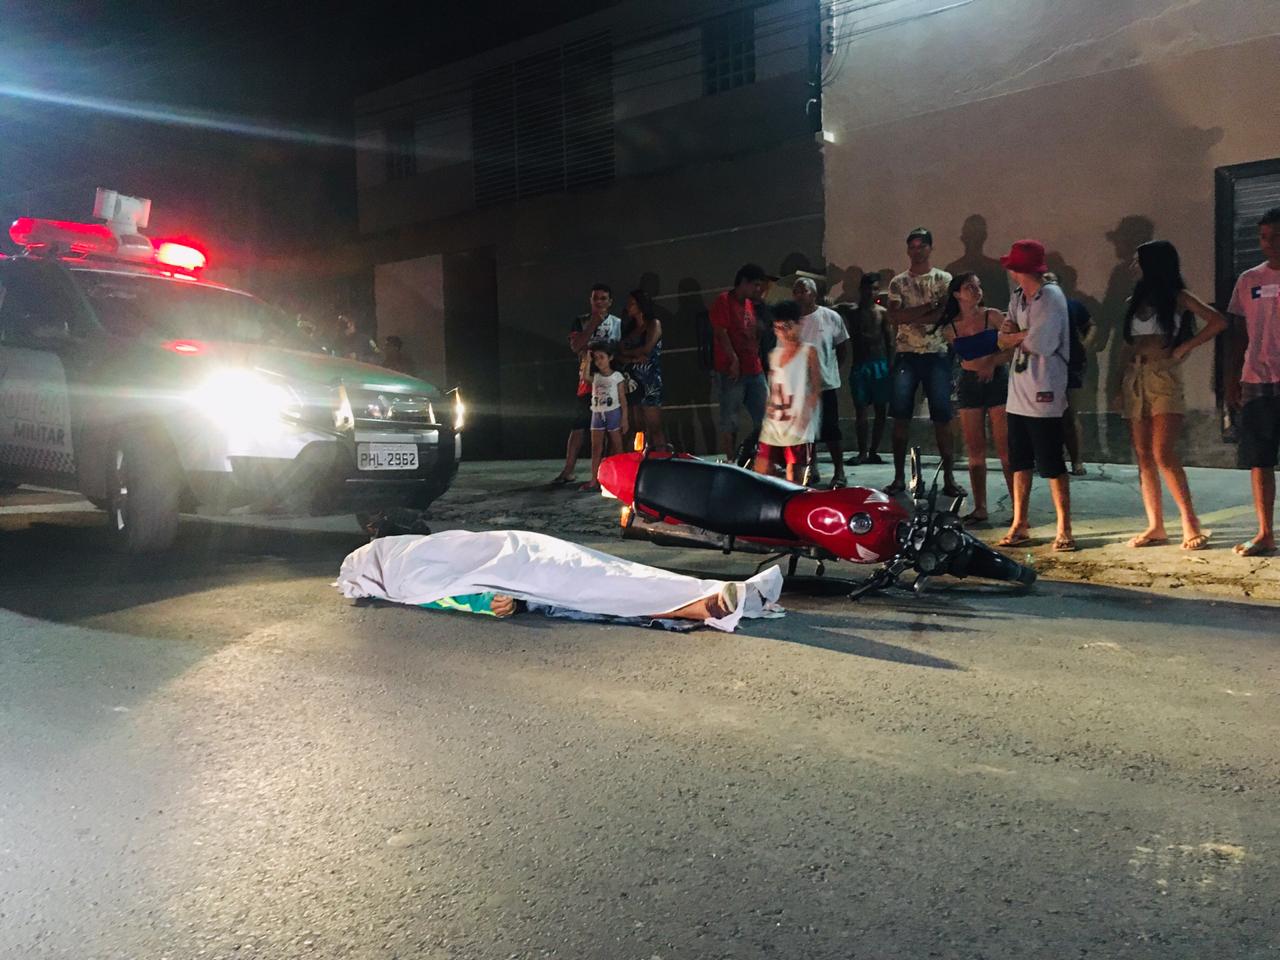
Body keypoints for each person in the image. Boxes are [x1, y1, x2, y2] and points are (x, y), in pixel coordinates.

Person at [336, 529, 785, 634]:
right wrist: (486, 603)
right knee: (594, 587)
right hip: (521, 575)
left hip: (523, 551)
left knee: (604, 575)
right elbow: (442, 594)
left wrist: (487, 598)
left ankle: (707, 597)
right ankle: (707, 602)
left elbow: (463, 560)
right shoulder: (402, 572)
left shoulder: (413, 553)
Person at [1118, 240, 1226, 550]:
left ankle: (1190, 522)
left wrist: (1184, 346)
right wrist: (1117, 385)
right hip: (1135, 375)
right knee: (1143, 454)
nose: (1133, 266)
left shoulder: (1177, 297)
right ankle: (1155, 525)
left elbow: (1218, 321)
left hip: (1163, 376)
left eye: (1138, 261)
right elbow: (1127, 345)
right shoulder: (1135, 299)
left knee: (1162, 451)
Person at [995, 239, 1074, 552]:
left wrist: (1016, 336)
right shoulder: (1019, 296)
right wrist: (1020, 335)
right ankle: (1020, 522)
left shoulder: (1050, 297)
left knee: (1051, 461)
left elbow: (1042, 343)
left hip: (1044, 389)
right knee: (1020, 461)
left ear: (1019, 269)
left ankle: (1064, 527)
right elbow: (1004, 336)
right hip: (1019, 390)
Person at [885, 228, 961, 496]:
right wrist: (928, 308)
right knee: (900, 416)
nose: (916, 251)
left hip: (936, 353)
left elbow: (944, 314)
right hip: (906, 354)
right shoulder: (898, 282)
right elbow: (895, 317)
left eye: (921, 246)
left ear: (930, 248)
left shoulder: (944, 279)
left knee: (942, 417)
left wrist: (910, 315)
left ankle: (949, 478)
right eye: (912, 246)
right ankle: (898, 477)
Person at [1225, 206, 1280, 557]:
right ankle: (1265, 532)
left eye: (1276, 237)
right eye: (1264, 237)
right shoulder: (1249, 280)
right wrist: (1231, 379)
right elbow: (1236, 333)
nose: (1269, 243)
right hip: (1258, 379)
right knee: (1260, 458)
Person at [936, 272, 1011, 525]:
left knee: (1005, 448)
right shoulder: (950, 328)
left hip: (997, 379)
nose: (976, 290)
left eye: (978, 286)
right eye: (969, 287)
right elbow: (961, 359)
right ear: (957, 294)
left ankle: (1018, 506)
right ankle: (980, 507)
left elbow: (1014, 347)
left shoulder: (993, 316)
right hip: (969, 383)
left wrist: (992, 362)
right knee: (975, 449)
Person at [552, 284, 622, 485]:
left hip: (609, 382)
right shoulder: (581, 321)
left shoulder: (617, 323)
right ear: (590, 300)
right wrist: (592, 324)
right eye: (595, 298)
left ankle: (609, 474)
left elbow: (620, 350)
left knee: (610, 430)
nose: (599, 302)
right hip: (587, 382)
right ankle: (568, 471)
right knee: (579, 426)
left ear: (610, 302)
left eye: (603, 298)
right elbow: (575, 346)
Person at [754, 300, 821, 484]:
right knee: (762, 468)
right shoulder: (774, 355)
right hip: (775, 421)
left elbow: (816, 387)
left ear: (799, 324)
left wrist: (807, 415)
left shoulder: (808, 352)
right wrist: (768, 413)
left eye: (787, 327)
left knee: (794, 473)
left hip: (797, 421)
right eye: (778, 328)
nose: (783, 332)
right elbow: (773, 388)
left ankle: (791, 498)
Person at [793, 277, 850, 487]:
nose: (800, 295)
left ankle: (839, 471)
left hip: (824, 384)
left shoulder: (830, 317)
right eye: (796, 292)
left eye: (804, 291)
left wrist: (830, 370)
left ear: (814, 294)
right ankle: (812, 468)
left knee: (831, 429)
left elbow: (842, 347)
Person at [710, 264, 769, 461]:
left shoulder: (750, 304)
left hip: (754, 368)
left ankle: (759, 456)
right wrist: (733, 359)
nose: (758, 289)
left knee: (766, 416)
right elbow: (721, 332)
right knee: (730, 418)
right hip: (732, 370)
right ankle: (731, 459)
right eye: (756, 285)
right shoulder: (724, 300)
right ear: (744, 282)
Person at [839, 272, 892, 466]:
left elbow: (889, 341)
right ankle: (862, 452)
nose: (871, 292)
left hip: (880, 364)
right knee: (861, 410)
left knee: (880, 410)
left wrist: (891, 367)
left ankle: (873, 451)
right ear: (861, 289)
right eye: (868, 288)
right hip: (860, 366)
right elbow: (830, 308)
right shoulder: (851, 310)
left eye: (875, 288)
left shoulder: (881, 313)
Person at [618, 289, 666, 449]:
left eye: (632, 303)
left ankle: (661, 456)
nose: (628, 307)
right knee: (635, 425)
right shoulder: (629, 329)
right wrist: (632, 357)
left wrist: (627, 353)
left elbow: (647, 349)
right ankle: (637, 458)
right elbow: (618, 354)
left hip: (649, 379)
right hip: (631, 380)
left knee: (654, 425)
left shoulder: (653, 324)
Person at [581, 340, 628, 492]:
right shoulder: (595, 376)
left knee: (617, 446)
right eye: (596, 358)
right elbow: (585, 378)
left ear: (610, 357)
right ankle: (594, 480)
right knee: (596, 448)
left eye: (602, 357)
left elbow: (622, 399)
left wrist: (624, 418)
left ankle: (622, 480)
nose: (599, 361)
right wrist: (588, 360)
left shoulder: (617, 376)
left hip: (613, 413)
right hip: (597, 413)